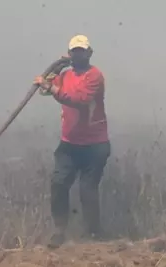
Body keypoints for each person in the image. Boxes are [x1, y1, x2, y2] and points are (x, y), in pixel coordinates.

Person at [33, 35, 110, 248]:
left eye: (81, 51)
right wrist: (57, 68)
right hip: (69, 144)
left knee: (87, 189)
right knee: (58, 183)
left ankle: (93, 233)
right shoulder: (65, 75)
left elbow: (79, 100)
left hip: (94, 145)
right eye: (74, 51)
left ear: (89, 53)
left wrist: (51, 88)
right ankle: (59, 231)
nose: (78, 55)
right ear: (70, 54)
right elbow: (43, 88)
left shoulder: (95, 76)